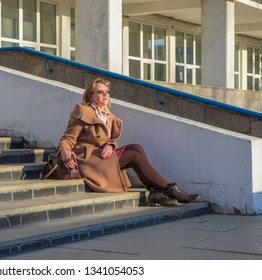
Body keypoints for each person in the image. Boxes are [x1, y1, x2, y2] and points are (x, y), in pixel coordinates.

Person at [57, 77, 199, 207]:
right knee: (133, 156)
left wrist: (111, 145)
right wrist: (64, 152)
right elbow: (68, 138)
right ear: (91, 96)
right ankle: (170, 190)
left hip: (101, 157)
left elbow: (109, 140)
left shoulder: (108, 116)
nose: (105, 95)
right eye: (100, 92)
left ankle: (155, 192)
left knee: (136, 148)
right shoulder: (83, 111)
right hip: (88, 160)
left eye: (107, 92)